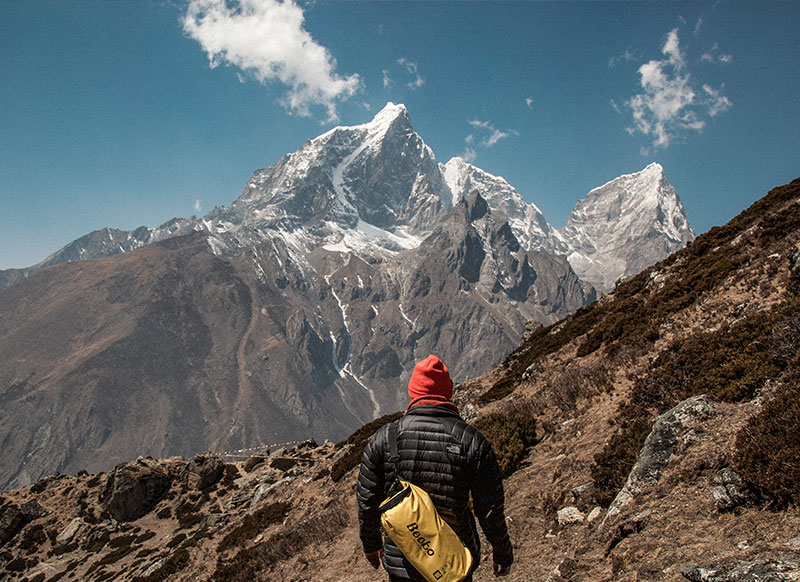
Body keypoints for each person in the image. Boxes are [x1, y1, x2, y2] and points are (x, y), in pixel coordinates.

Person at [356, 354, 514, 581]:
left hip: (403, 559)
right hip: (453, 560)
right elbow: (490, 510)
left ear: (413, 391)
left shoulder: (384, 438)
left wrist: (371, 545)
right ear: (448, 391)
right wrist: (502, 552)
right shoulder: (471, 441)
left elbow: (367, 500)